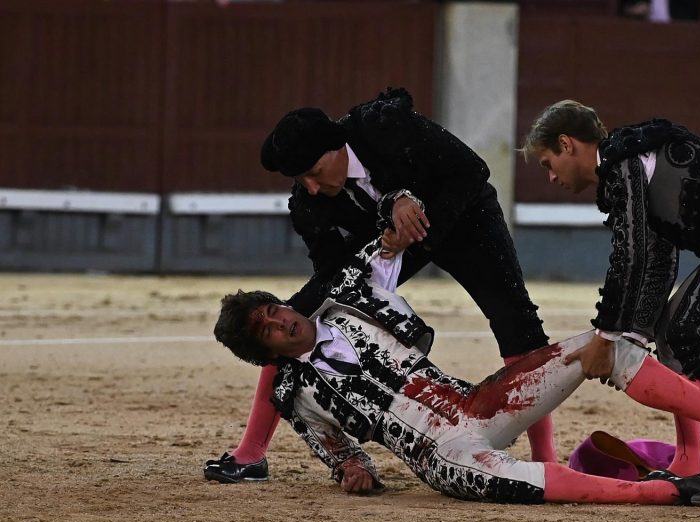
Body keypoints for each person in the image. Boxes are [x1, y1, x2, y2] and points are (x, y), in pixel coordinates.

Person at [212, 238, 700, 506]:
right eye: (266, 328)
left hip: (477, 405)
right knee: (532, 480)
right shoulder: (292, 393)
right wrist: (352, 471)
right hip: (438, 458)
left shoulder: (344, 296)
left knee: (602, 346)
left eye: (275, 309)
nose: (281, 320)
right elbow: (337, 450)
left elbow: (384, 248)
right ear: (263, 352)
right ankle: (668, 491)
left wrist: (399, 216)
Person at [205, 88, 558, 486]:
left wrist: (420, 230)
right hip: (390, 242)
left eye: (315, 173)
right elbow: (334, 273)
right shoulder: (308, 202)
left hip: (463, 217)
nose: (313, 187)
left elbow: (471, 171)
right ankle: (251, 454)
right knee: (292, 318)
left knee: (516, 321)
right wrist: (361, 277)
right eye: (302, 179)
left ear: (337, 148)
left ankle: (546, 458)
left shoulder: (383, 126)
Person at [522, 100, 700, 504]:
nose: (550, 177)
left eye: (548, 163)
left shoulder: (622, 165)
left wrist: (606, 337)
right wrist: (634, 333)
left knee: (688, 329)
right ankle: (690, 461)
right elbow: (655, 261)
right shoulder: (629, 162)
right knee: (670, 332)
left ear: (567, 144)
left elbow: (630, 257)